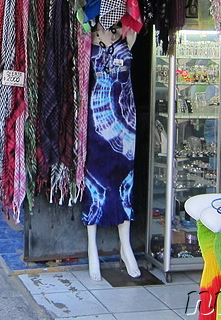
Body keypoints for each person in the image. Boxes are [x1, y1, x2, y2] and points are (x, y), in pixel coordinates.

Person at [83, 28, 140, 281]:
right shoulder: (84, 38)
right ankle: (91, 246)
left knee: (125, 184)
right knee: (93, 186)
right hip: (95, 123)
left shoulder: (128, 38)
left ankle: (125, 245)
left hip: (127, 126)